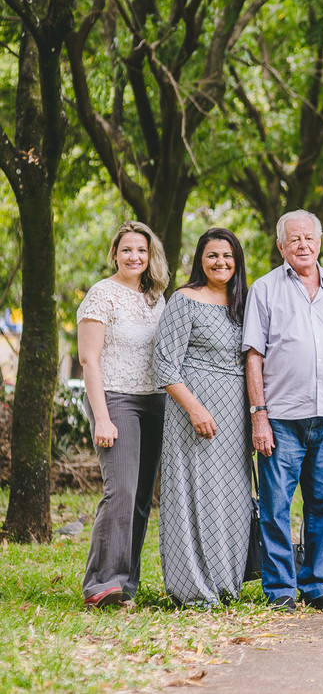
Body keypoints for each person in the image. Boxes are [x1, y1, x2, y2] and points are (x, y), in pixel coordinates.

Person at [244, 210, 323, 614]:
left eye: (308, 238)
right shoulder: (264, 289)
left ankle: (317, 584)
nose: (302, 245)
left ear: (319, 242)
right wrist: (258, 414)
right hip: (280, 417)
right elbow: (254, 356)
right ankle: (281, 588)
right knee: (276, 504)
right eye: (293, 239)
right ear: (281, 246)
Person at [154, 227, 252, 607]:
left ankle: (227, 583)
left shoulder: (245, 303)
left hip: (237, 415)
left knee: (233, 496)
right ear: (200, 260)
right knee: (194, 492)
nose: (220, 262)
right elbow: (165, 364)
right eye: (212, 255)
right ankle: (193, 587)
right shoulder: (184, 299)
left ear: (237, 261)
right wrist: (194, 409)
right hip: (192, 414)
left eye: (227, 256)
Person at [78, 221, 170, 609]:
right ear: (114, 253)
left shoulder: (155, 298)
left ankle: (125, 584)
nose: (134, 256)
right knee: (121, 492)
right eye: (127, 249)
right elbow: (89, 359)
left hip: (154, 402)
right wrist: (102, 417)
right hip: (116, 399)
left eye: (141, 250)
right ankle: (102, 583)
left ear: (150, 256)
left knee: (142, 498)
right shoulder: (102, 294)